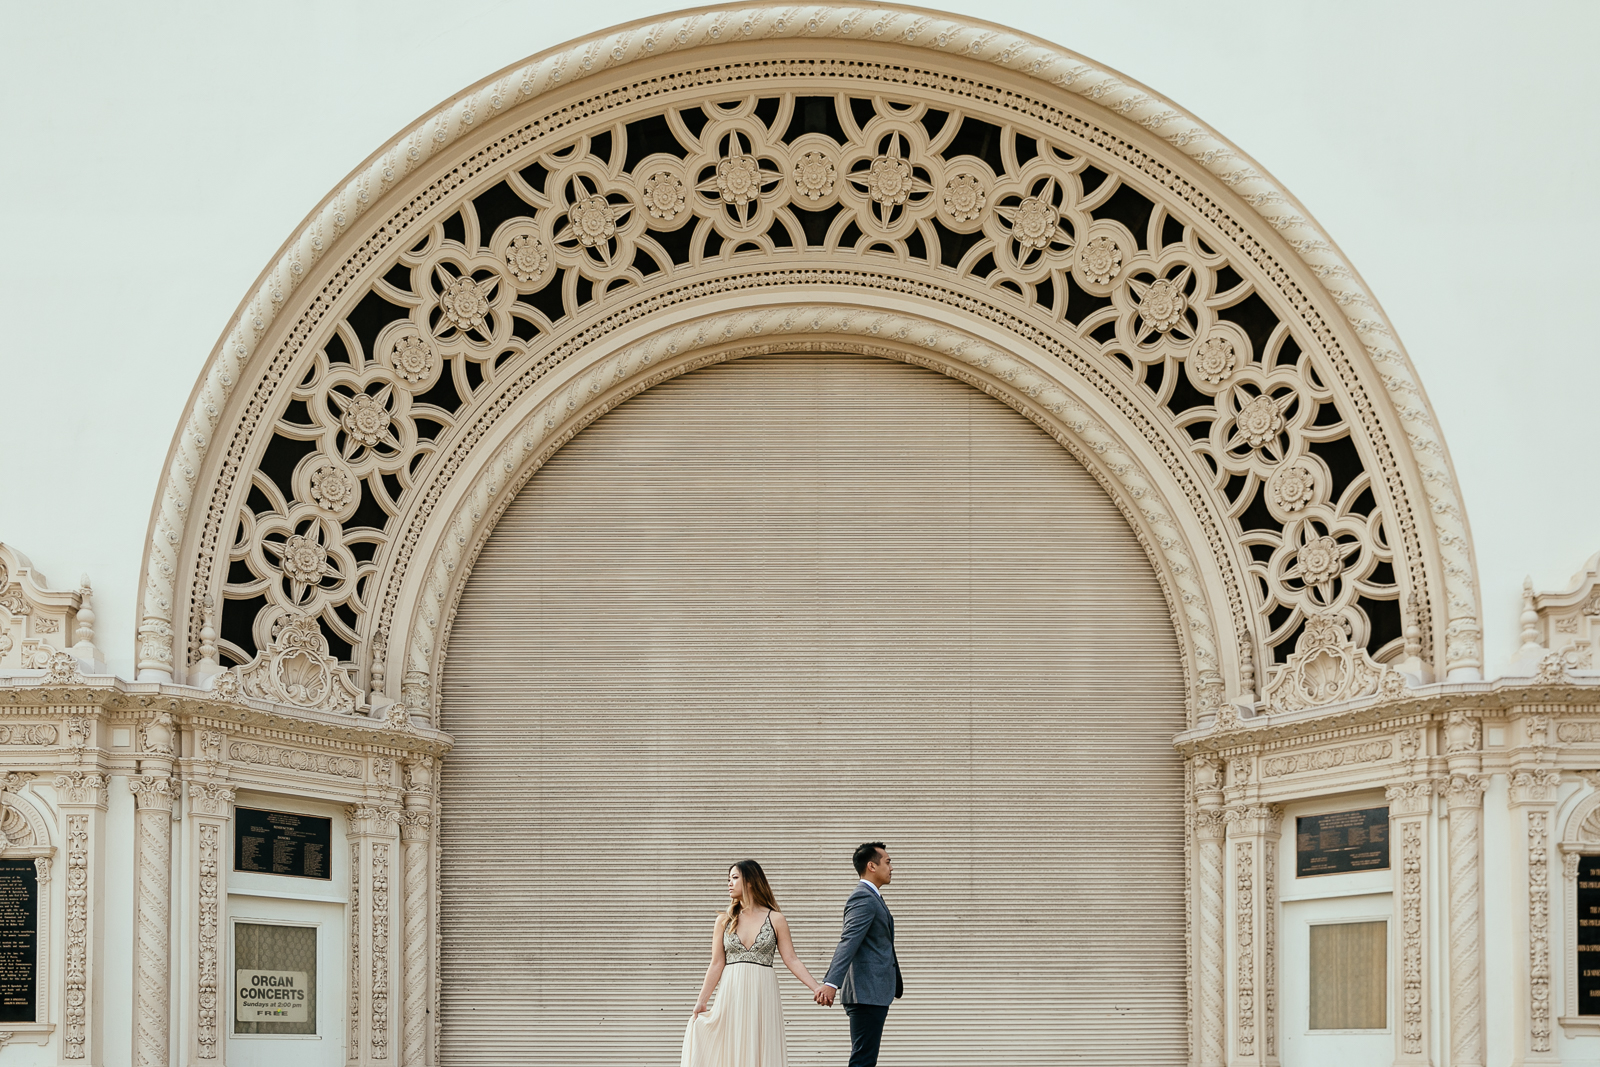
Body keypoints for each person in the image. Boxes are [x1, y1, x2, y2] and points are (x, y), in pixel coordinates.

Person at [682, 859, 826, 1067]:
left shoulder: (776, 919)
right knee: (730, 1044)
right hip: (732, 991)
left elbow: (791, 959)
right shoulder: (724, 920)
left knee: (761, 1045)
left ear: (750, 881)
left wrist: (817, 987)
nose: (729, 883)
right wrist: (701, 1001)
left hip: (763, 992)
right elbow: (716, 964)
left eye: (734, 878)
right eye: (728, 879)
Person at [816, 843, 902, 1067]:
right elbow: (849, 941)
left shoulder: (872, 897)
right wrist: (831, 983)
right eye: (888, 862)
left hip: (871, 992)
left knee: (865, 1058)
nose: (892, 868)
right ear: (872, 866)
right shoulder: (863, 898)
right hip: (866, 993)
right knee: (863, 1060)